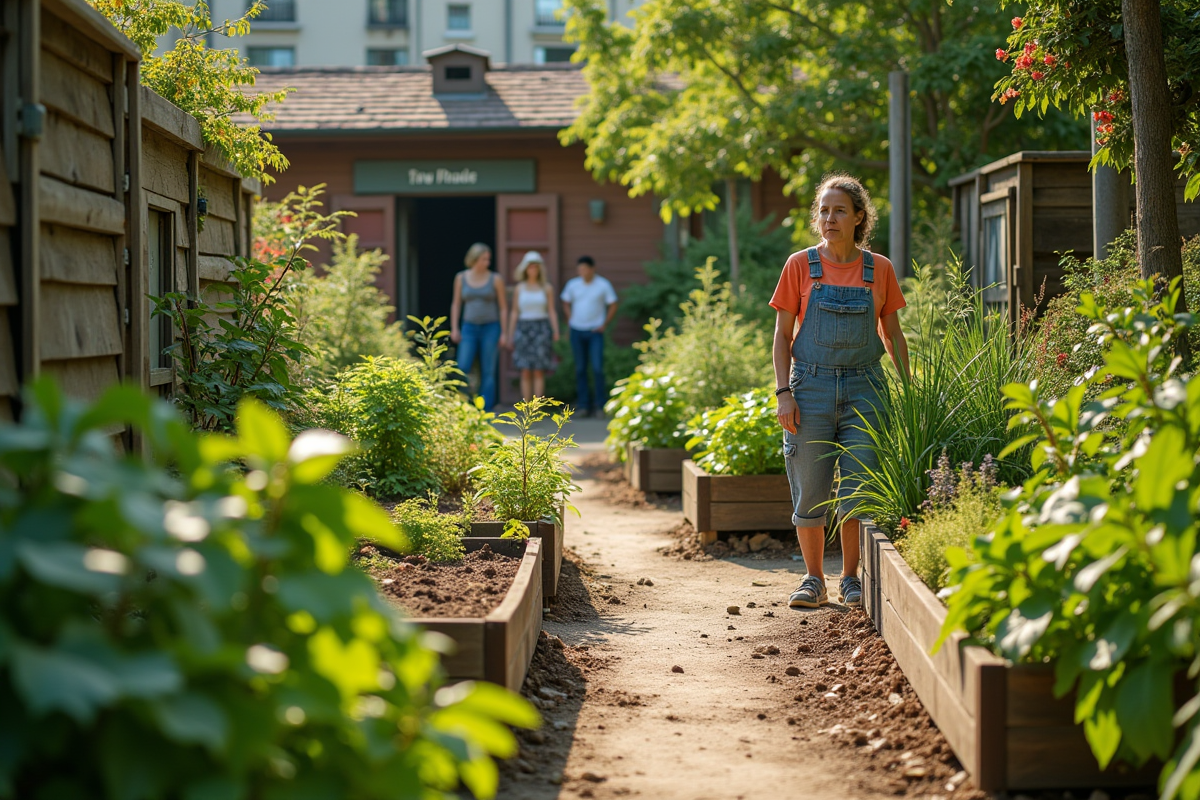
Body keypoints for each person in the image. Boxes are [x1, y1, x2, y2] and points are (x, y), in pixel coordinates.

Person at [770, 173, 911, 609]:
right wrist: (782, 392)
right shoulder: (800, 265)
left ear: (858, 217)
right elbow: (781, 334)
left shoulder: (878, 269)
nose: (829, 218)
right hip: (808, 387)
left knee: (858, 487)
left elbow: (892, 334)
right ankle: (814, 579)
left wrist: (910, 390)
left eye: (839, 211)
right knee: (810, 486)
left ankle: (850, 577)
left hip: (866, 388)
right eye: (824, 211)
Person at [450, 242, 508, 411]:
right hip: (469, 328)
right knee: (463, 366)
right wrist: (455, 327)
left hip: (491, 328)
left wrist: (504, 332)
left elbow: (503, 307)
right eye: (484, 259)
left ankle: (485, 408)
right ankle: (464, 404)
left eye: (488, 259)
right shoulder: (461, 278)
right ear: (474, 259)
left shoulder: (495, 279)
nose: (487, 263)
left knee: (488, 370)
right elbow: (456, 303)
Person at [561, 255, 618, 417]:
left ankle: (600, 405)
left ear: (593, 269)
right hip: (577, 331)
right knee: (580, 369)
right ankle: (583, 405)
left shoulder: (603, 285)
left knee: (597, 368)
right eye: (580, 270)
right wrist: (570, 318)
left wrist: (604, 324)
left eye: (585, 269)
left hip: (595, 332)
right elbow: (565, 301)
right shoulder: (573, 285)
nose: (583, 272)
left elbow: (613, 304)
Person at [508, 251, 560, 401]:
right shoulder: (520, 288)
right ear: (525, 268)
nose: (533, 270)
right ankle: (527, 406)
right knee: (525, 370)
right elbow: (514, 312)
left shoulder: (547, 288)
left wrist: (555, 330)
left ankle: (536, 407)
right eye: (530, 267)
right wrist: (511, 334)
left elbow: (551, 310)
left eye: (536, 267)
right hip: (524, 328)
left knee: (538, 370)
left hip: (541, 328)